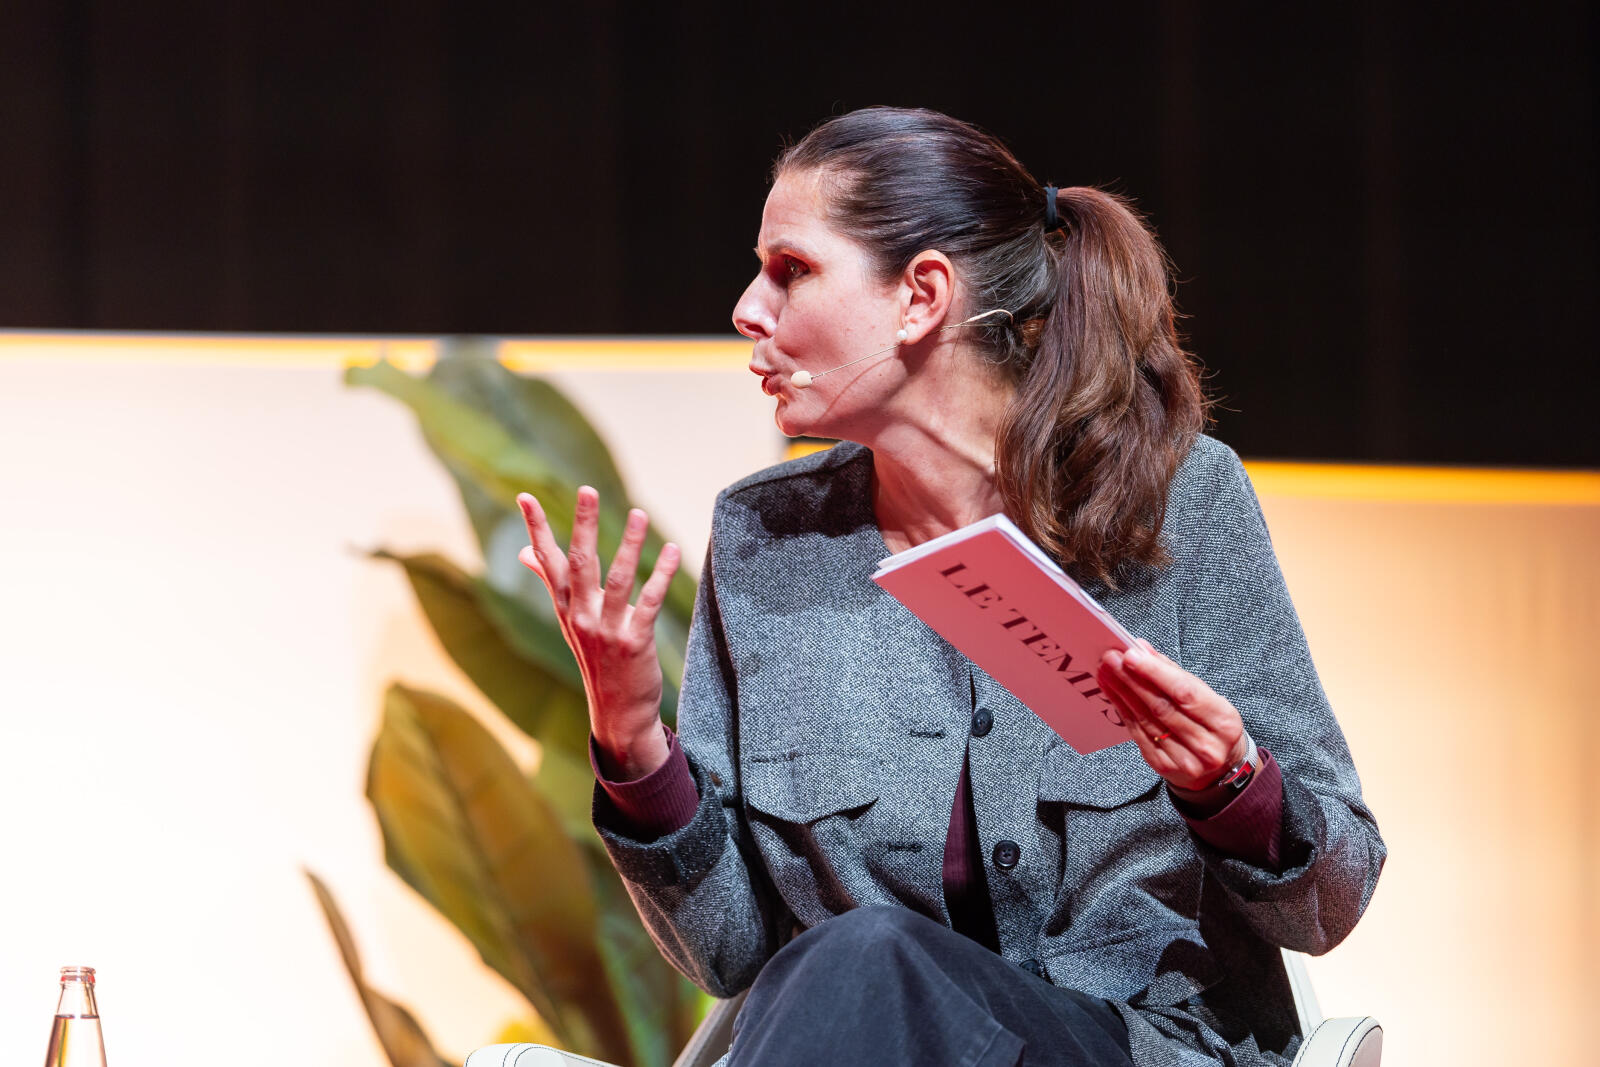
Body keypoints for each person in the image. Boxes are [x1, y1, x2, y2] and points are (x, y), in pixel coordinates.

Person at [515, 107, 1385, 1067]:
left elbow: (1333, 899)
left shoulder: (1182, 501)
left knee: (869, 954)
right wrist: (633, 741)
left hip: (1130, 1047)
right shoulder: (767, 538)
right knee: (863, 963)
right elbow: (730, 954)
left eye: (792, 270)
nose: (748, 310)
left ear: (921, 296)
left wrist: (1232, 786)